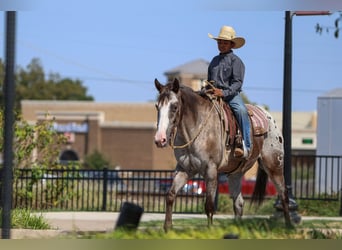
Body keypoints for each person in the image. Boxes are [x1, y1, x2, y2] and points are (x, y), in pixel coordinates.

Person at [206, 25, 251, 158]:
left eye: (225, 43)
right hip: (213, 94)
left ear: (231, 44)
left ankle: (246, 145)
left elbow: (237, 83)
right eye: (219, 42)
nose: (221, 45)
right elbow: (209, 80)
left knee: (241, 111)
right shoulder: (214, 61)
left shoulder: (236, 61)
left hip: (231, 96)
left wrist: (224, 93)